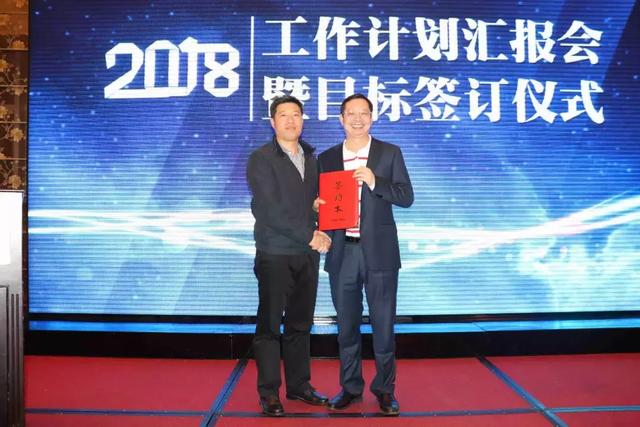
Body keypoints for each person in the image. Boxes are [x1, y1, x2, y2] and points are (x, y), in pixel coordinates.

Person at [317, 94, 414, 416]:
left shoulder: (389, 153)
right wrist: (316, 209)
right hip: (342, 253)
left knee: (383, 327)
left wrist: (376, 181)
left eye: (364, 113)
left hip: (380, 254)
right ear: (341, 119)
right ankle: (350, 387)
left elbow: (406, 196)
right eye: (351, 114)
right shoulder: (328, 158)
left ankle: (385, 390)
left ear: (372, 118)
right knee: (346, 327)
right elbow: (321, 203)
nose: (357, 119)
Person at [246, 95, 331, 416]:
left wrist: (316, 209)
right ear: (273, 122)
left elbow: (304, 202)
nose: (291, 120)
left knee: (300, 324)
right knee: (270, 325)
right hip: (274, 253)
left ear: (303, 120)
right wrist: (310, 234)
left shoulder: (311, 157)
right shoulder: (261, 158)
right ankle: (269, 392)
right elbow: (268, 210)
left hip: (306, 254)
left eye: (296, 114)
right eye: (284, 115)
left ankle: (299, 385)